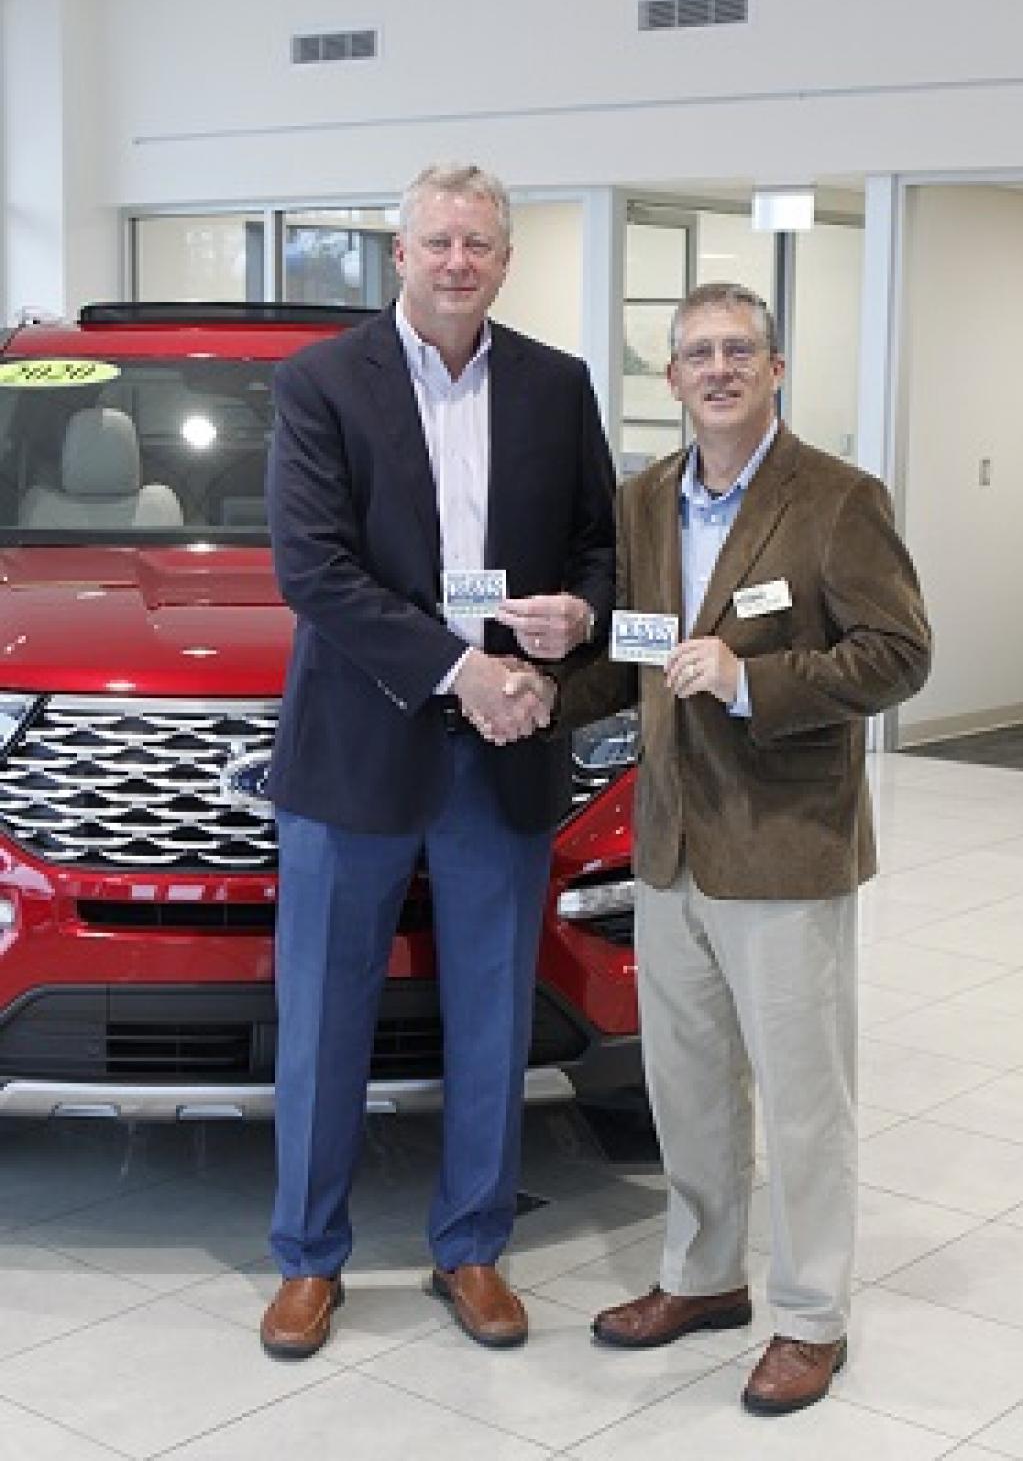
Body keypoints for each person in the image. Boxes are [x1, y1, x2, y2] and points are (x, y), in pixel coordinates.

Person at [534, 282, 930, 1416]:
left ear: (774, 368)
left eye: (737, 351)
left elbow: (898, 653)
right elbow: (630, 657)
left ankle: (810, 1317)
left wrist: (755, 682)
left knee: (804, 1098)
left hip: (785, 841)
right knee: (688, 1086)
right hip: (668, 848)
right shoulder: (645, 499)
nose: (716, 369)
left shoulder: (838, 500)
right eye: (695, 353)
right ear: (668, 379)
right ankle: (702, 1279)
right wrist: (533, 692)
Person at [260, 163, 614, 1359]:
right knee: (321, 1018)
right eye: (436, 241)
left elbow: (596, 550)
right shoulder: (320, 384)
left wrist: (572, 625)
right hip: (358, 750)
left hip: (504, 751)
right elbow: (313, 570)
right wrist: (462, 670)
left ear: (503, 261)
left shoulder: (557, 388)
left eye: (478, 243)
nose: (457, 260)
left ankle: (471, 1248)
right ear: (398, 254)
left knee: (488, 1016)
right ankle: (308, 1260)